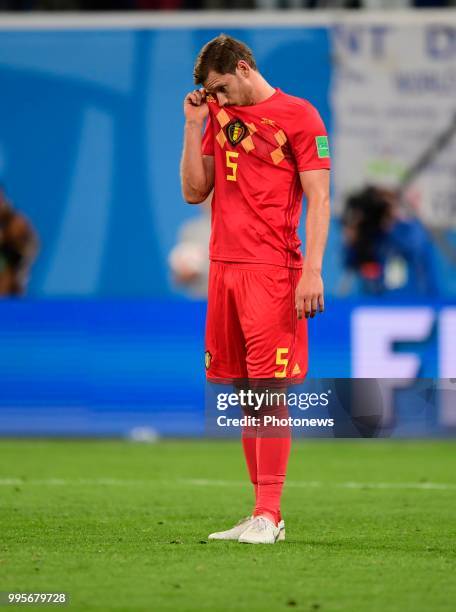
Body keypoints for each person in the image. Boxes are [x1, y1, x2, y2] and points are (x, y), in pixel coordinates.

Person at [180, 34, 330, 544]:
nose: (218, 99)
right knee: (247, 396)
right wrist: (194, 124)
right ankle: (261, 513)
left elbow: (320, 199)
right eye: (210, 93)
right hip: (223, 269)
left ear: (244, 68)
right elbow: (193, 191)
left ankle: (271, 513)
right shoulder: (218, 118)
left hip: (273, 271)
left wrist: (313, 270)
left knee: (269, 391)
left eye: (221, 88)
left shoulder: (300, 116)